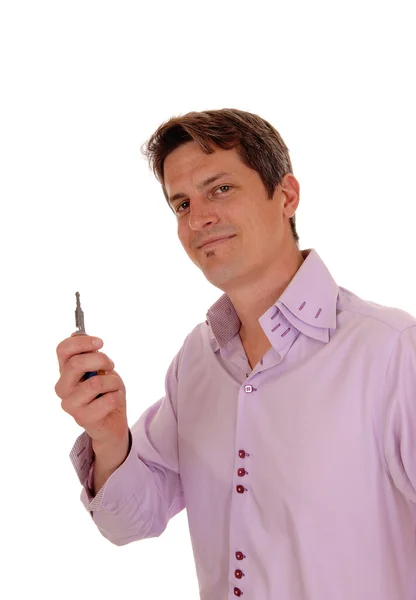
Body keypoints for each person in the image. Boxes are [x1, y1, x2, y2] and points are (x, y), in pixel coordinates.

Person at [55, 108, 416, 600]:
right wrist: (108, 435)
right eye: (181, 204)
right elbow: (128, 522)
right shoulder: (197, 362)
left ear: (285, 196)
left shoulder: (391, 350)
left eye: (219, 189)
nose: (199, 217)